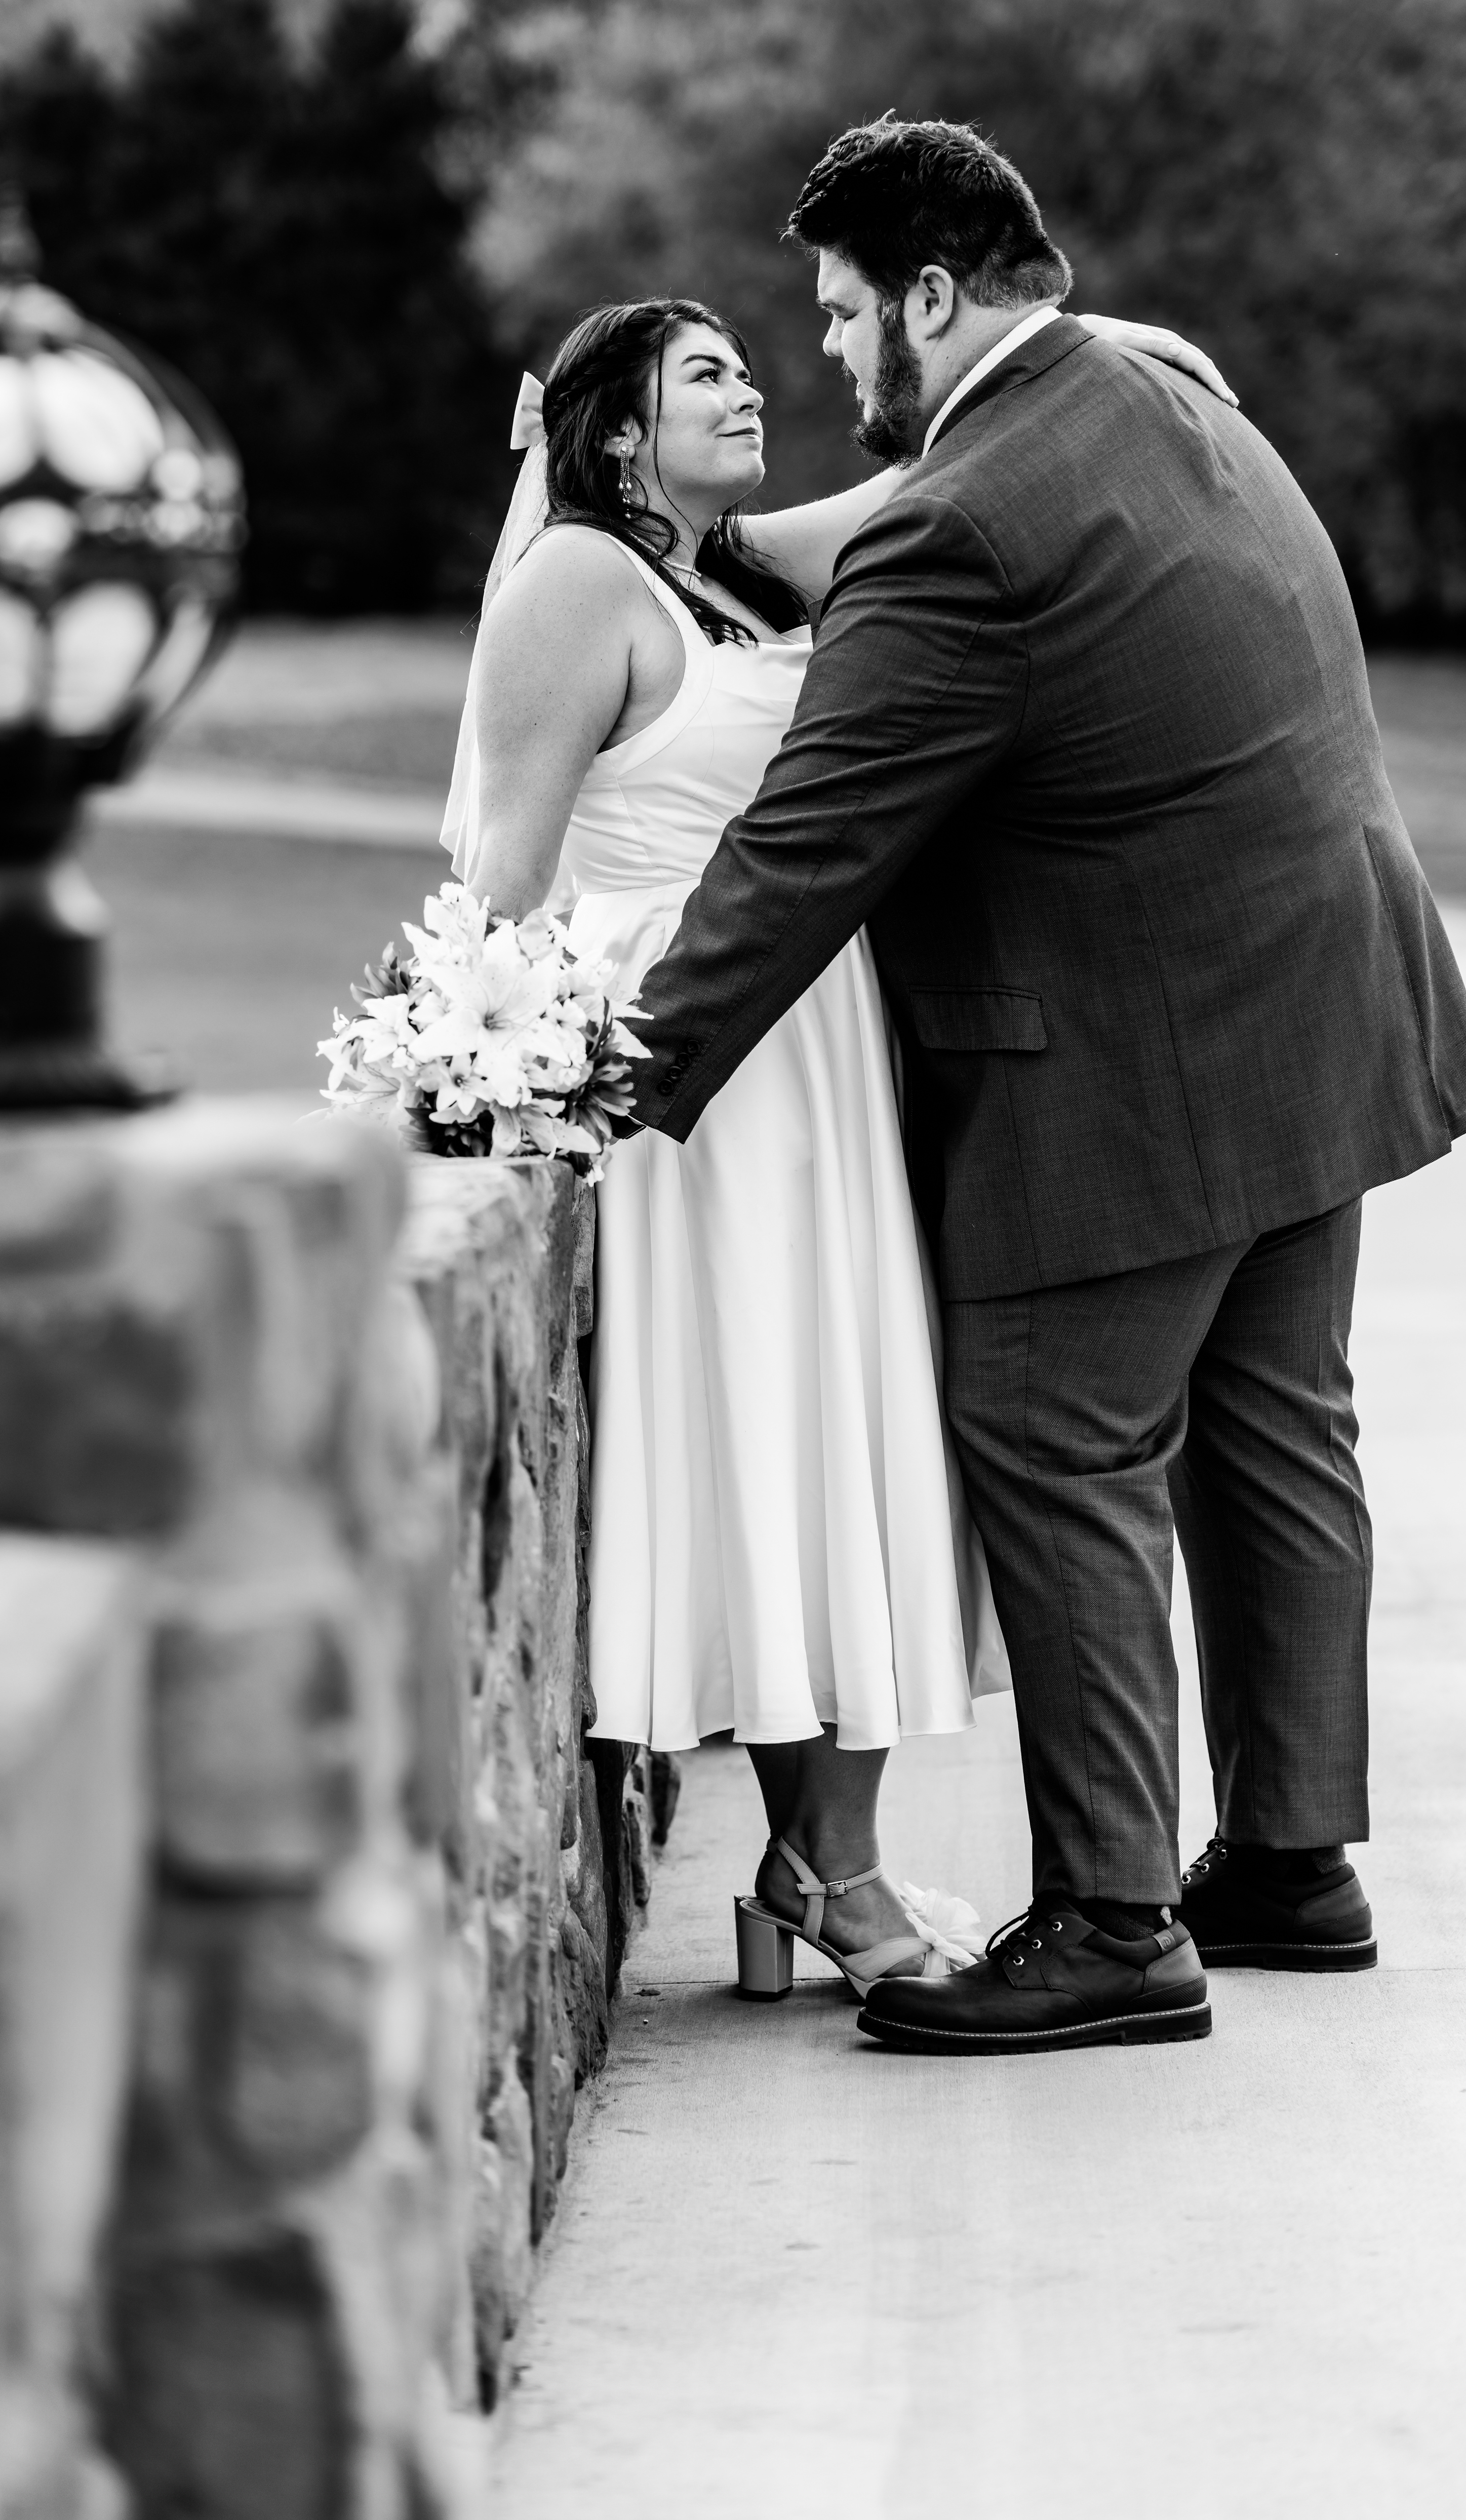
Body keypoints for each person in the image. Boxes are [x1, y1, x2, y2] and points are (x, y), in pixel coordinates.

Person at [620, 116, 1466, 2055]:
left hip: (1139, 1058)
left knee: (1057, 1435)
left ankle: (1114, 1922)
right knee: (1276, 1436)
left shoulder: (969, 516)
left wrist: (613, 1077)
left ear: (934, 299)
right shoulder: (1166, 402)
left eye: (850, 321)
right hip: (1321, 1014)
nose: (836, 365)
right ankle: (1290, 1863)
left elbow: (804, 847)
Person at [442, 286, 1236, 2000]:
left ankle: (818, 1862)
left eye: (749, 362)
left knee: (839, 1439)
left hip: (819, 1059)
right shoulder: (580, 578)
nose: (754, 389)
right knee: (773, 1441)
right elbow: (502, 866)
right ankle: (831, 1868)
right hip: (697, 1073)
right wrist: (461, 1069)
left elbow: (938, 477)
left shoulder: (733, 571)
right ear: (619, 431)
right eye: (707, 372)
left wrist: (1122, 366)